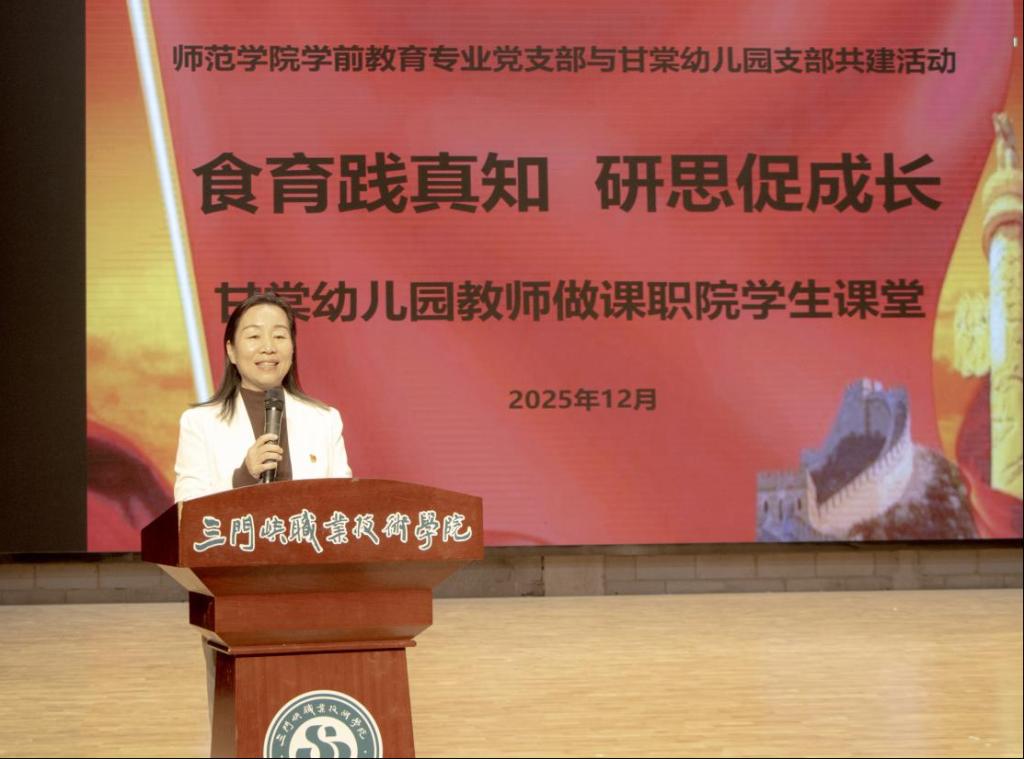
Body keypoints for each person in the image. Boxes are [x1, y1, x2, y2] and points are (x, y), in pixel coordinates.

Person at [173, 292, 352, 503]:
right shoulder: (199, 422)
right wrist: (243, 477)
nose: (268, 348)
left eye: (279, 336)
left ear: (292, 348)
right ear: (231, 351)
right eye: (254, 336)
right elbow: (186, 508)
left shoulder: (324, 420)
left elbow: (345, 503)